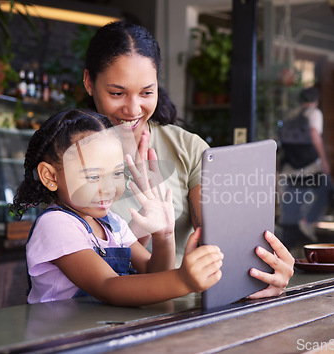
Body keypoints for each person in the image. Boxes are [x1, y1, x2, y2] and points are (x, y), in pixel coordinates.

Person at [82, 21, 293, 299]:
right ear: (89, 83)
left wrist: (267, 272)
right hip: (108, 318)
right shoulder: (73, 159)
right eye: (117, 93)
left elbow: (221, 237)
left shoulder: (188, 148)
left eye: (146, 93)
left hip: (192, 311)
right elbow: (101, 279)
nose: (133, 109)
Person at [10, 109, 224, 306]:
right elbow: (107, 286)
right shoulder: (56, 225)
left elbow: (151, 274)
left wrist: (164, 235)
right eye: (93, 176)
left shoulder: (112, 223)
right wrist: (183, 280)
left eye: (117, 173)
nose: (108, 188)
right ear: (50, 176)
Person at [279, 87, 332, 244]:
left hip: (291, 168)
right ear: (315, 100)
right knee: (327, 190)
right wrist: (324, 160)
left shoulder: (290, 115)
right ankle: (308, 221)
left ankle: (290, 244)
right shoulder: (314, 113)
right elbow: (315, 134)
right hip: (310, 167)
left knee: (293, 204)